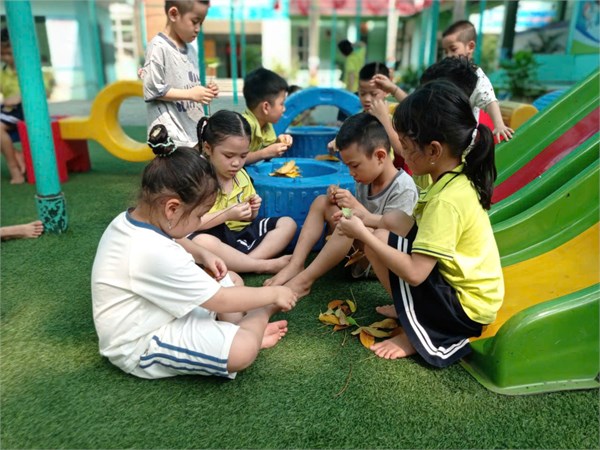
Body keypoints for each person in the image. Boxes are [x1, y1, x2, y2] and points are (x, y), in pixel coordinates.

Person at [91, 124, 298, 380]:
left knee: (232, 279)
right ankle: (255, 323)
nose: (199, 221)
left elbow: (171, 238)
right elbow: (220, 301)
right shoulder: (151, 253)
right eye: (199, 215)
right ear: (172, 209)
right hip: (141, 341)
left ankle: (242, 331)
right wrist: (272, 296)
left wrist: (202, 253)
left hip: (158, 310)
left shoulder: (134, 220)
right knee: (242, 350)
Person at [337, 81, 504, 367]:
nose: (400, 152)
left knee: (377, 242)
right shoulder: (447, 171)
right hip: (463, 291)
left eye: (406, 146)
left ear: (434, 150)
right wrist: (367, 219)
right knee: (392, 221)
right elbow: (403, 224)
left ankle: (417, 330)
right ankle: (409, 308)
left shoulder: (446, 201)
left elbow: (415, 273)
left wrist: (363, 234)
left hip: (466, 310)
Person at [264, 113, 418, 298]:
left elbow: (394, 237)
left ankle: (304, 281)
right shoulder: (366, 178)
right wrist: (337, 199)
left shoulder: (403, 187)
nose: (351, 173)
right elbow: (357, 215)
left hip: (381, 262)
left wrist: (354, 207)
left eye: (355, 165)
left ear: (379, 156)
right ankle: (296, 264)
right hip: (358, 248)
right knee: (322, 202)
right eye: (348, 166)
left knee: (348, 224)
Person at [189, 110, 297, 274]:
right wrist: (227, 215)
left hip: (242, 238)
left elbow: (250, 219)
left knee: (288, 223)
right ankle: (259, 266)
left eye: (243, 156)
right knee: (201, 242)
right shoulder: (198, 178)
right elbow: (192, 224)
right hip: (216, 240)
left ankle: (246, 263)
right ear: (208, 148)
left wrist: (252, 211)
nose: (236, 163)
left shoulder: (242, 175)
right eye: (229, 156)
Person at [141, 0, 219, 147]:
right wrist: (191, 94)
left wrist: (205, 91)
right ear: (173, 14)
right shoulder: (158, 46)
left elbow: (187, 85)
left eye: (201, 23)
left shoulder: (191, 50)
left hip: (193, 132)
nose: (198, 29)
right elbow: (152, 89)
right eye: (194, 22)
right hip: (171, 138)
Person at [441, 20, 513, 141]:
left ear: (470, 47)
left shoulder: (476, 75)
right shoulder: (445, 72)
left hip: (462, 139)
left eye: (453, 49)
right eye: (445, 51)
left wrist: (499, 125)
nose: (448, 55)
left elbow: (490, 101)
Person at [241, 67, 293, 164]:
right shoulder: (243, 126)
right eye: (281, 104)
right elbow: (237, 158)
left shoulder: (266, 124)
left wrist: (278, 143)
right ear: (266, 107)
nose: (284, 109)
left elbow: (268, 154)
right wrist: (265, 153)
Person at [1, 28, 26, 184]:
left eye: (9, 53)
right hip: (7, 110)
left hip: (24, 110)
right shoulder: (3, 72)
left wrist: (21, 96)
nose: (5, 58)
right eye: (2, 54)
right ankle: (16, 154)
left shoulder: (28, 69)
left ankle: (14, 170)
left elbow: (45, 90)